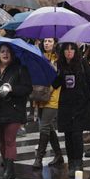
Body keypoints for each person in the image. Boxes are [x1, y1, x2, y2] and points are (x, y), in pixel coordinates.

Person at [0, 44, 33, 179]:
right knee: (2, 140)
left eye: (8, 52)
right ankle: (10, 169)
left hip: (13, 110)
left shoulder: (20, 69)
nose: (5, 54)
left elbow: (27, 89)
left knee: (10, 140)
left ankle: (7, 172)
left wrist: (11, 89)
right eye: (2, 51)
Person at [54, 42, 90, 176]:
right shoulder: (61, 64)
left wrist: (86, 100)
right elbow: (55, 84)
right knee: (68, 135)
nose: (69, 52)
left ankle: (78, 162)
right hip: (65, 105)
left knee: (77, 135)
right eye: (66, 49)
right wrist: (54, 71)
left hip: (79, 105)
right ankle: (71, 161)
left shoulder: (82, 63)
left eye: (72, 49)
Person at [32, 38, 64, 169]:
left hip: (53, 95)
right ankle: (58, 155)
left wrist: (51, 89)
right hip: (40, 94)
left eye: (50, 41)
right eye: (45, 41)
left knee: (44, 126)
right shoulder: (39, 57)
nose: (46, 43)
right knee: (48, 127)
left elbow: (60, 78)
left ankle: (39, 158)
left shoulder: (59, 59)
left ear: (55, 43)